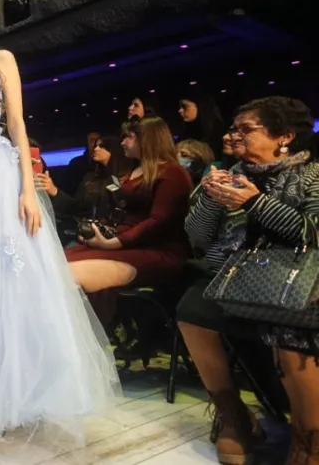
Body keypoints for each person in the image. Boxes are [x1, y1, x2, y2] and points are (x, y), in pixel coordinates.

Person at [0, 0, 119, 441]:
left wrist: (27, 189)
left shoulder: (1, 59)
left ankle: (9, 391)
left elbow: (16, 123)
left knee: (3, 278)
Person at [178, 97, 319, 465]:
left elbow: (314, 233)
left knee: (293, 327)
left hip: (294, 283)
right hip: (234, 278)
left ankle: (308, 440)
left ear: (284, 136)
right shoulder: (226, 173)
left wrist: (255, 203)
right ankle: (235, 418)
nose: (234, 135)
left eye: (246, 129)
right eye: (233, 128)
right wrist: (211, 199)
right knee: (192, 308)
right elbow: (197, 237)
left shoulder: (312, 175)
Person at [64, 117, 193, 329]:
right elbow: (121, 214)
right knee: (55, 264)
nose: (123, 142)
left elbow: (158, 221)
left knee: (66, 274)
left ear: (148, 139)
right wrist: (98, 232)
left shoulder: (172, 172)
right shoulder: (134, 172)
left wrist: (116, 242)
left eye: (129, 137)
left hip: (157, 251)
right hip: (127, 244)